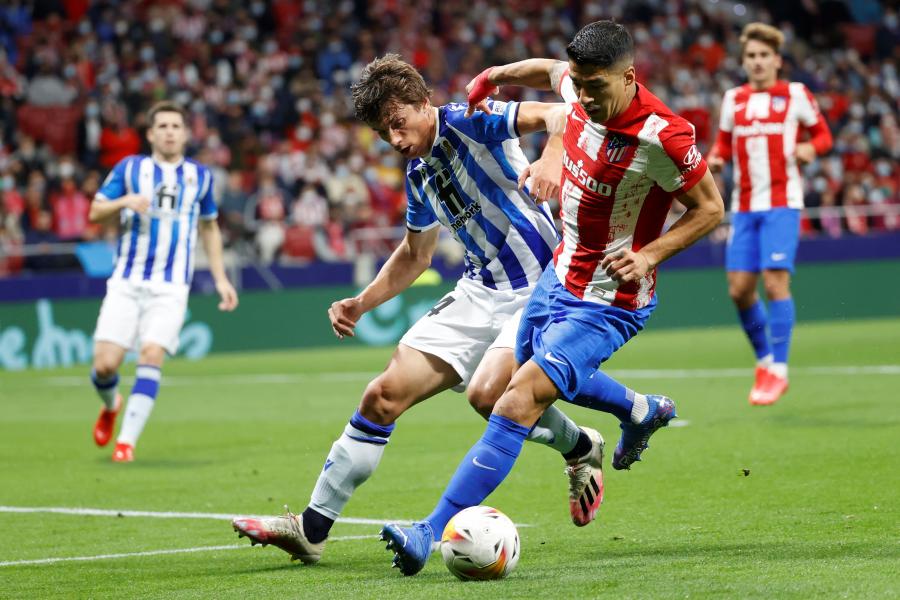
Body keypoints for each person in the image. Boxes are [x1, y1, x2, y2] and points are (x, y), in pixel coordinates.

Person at [232, 54, 607, 565]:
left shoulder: (472, 119)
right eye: (382, 132)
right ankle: (311, 530)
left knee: (489, 396)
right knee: (381, 396)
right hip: (478, 290)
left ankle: (582, 444)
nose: (394, 139)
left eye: (398, 122)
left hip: (539, 285)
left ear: (422, 102)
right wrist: (361, 303)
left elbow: (560, 114)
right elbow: (415, 255)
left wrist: (551, 159)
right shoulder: (419, 174)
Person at [380, 20, 725, 576]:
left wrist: (649, 256)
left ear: (629, 77)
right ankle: (640, 410)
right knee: (487, 392)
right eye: (580, 85)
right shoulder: (580, 86)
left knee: (518, 400)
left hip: (608, 301)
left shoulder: (664, 137)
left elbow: (710, 209)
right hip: (556, 277)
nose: (583, 96)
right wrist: (495, 74)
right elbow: (550, 71)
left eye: (595, 86)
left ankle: (428, 529)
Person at [89, 101, 238, 463]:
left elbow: (209, 228)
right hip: (126, 281)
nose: (170, 132)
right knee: (105, 366)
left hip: (171, 287)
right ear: (151, 134)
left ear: (185, 134)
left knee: (151, 353)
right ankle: (111, 405)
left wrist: (220, 278)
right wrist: (124, 201)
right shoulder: (130, 168)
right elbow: (95, 211)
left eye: (176, 126)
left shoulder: (200, 177)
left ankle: (126, 443)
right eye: (163, 126)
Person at [707, 23, 832, 405]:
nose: (758, 62)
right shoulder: (734, 99)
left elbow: (823, 135)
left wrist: (810, 149)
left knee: (776, 283)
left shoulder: (795, 94)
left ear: (777, 60)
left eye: (764, 55)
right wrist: (716, 158)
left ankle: (779, 369)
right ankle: (763, 360)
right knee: (739, 290)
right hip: (744, 207)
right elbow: (723, 144)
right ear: (744, 62)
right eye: (751, 56)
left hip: (782, 203)